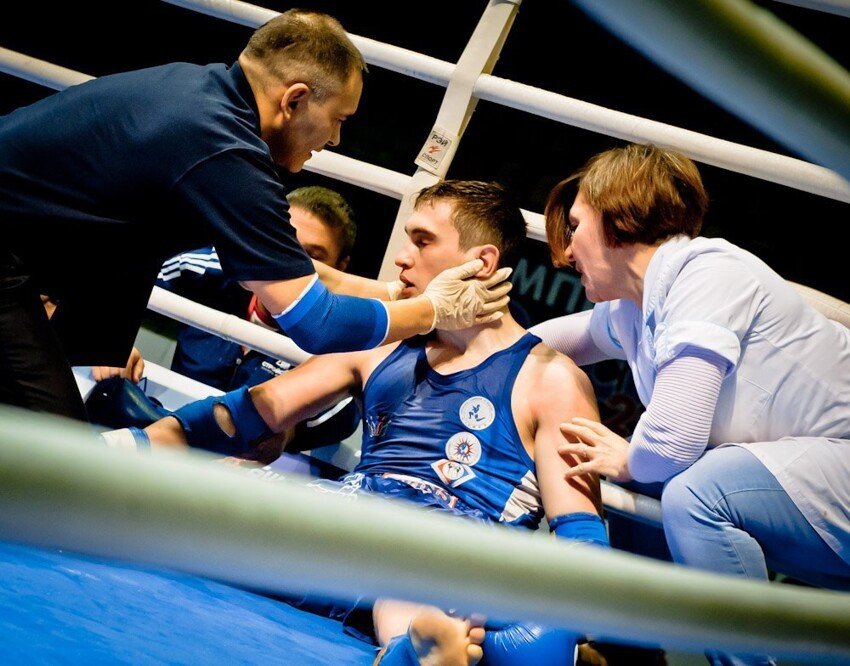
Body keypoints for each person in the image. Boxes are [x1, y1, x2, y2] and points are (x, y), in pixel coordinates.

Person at [106, 180, 609, 665]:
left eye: (423, 240)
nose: (402, 257)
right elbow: (252, 411)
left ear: (481, 263)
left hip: (457, 549)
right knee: (188, 507)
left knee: (424, 596)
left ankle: (418, 651)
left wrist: (555, 622)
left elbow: (581, 536)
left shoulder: (550, 379)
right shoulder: (384, 341)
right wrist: (139, 445)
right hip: (352, 519)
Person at [0, 9, 511, 424]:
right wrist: (435, 312)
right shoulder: (224, 151)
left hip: (16, 259)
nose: (335, 140)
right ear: (295, 99)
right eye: (337, 119)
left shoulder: (199, 97)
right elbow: (317, 323)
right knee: (51, 452)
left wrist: (403, 295)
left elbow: (295, 272)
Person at [529, 142, 850, 666]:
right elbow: (546, 343)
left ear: (619, 219)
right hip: (820, 481)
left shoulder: (705, 275)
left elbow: (674, 440)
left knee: (694, 493)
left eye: (577, 225)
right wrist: (458, 337)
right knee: (649, 479)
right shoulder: (638, 303)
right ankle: (629, 651)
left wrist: (631, 458)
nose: (566, 249)